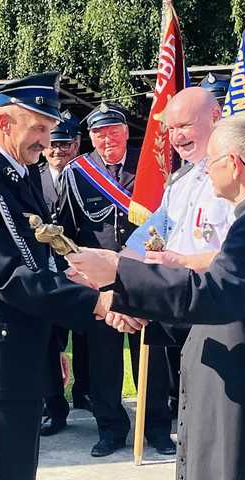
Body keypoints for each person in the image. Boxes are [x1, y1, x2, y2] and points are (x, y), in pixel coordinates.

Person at [67, 115, 245, 480]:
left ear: (233, 163)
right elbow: (228, 289)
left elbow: (218, 295)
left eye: (210, 161)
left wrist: (119, 272)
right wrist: (137, 303)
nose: (205, 171)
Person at [0, 71, 108, 480]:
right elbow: (6, 276)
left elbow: (38, 256)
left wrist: (51, 347)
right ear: (5, 123)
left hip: (14, 351)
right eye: (40, 128)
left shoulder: (13, 174)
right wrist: (96, 302)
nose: (47, 140)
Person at [57, 103, 175, 456]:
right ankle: (110, 429)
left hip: (144, 276)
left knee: (151, 357)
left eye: (113, 130)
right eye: (98, 133)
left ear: (126, 131)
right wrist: (78, 274)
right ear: (89, 137)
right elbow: (66, 228)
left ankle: (156, 428)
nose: (106, 138)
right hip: (99, 283)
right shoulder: (76, 173)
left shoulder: (149, 166)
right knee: (103, 361)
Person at [123, 87, 235, 416]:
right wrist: (116, 278)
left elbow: (238, 256)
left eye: (184, 125)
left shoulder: (236, 178)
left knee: (219, 412)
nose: (176, 137)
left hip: (220, 311)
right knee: (191, 408)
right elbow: (147, 236)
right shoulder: (179, 182)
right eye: (170, 129)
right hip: (181, 309)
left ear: (215, 118)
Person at [30, 111, 91, 436]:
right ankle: (54, 406)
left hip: (85, 271)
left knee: (89, 341)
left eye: (65, 143)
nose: (57, 151)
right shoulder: (31, 178)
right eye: (52, 145)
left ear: (77, 144)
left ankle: (87, 392)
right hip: (49, 273)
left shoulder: (90, 175)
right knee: (49, 344)